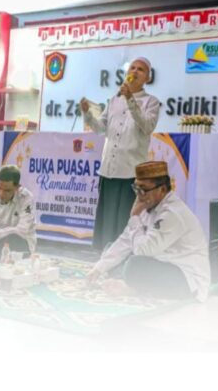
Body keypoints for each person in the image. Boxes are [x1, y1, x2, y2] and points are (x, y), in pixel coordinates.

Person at [86, 161, 210, 301]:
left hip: (187, 280)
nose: (139, 195)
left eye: (143, 189)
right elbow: (126, 240)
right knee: (110, 249)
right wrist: (98, 268)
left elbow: (143, 251)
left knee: (134, 265)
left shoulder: (173, 213)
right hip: (159, 261)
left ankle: (132, 287)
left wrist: (134, 217)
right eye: (136, 188)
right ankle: (132, 282)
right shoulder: (148, 204)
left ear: (162, 189)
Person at [80, 57, 161, 251]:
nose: (135, 71)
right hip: (109, 169)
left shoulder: (151, 102)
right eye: (132, 68)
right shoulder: (114, 100)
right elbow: (101, 129)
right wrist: (87, 114)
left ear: (147, 78)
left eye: (140, 69)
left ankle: (123, 257)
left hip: (131, 172)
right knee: (107, 220)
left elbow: (147, 126)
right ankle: (104, 257)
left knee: (126, 220)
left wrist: (130, 100)